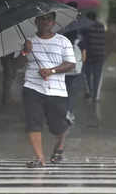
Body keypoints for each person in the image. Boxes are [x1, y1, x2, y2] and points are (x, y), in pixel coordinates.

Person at [16, 12, 76, 168]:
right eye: (42, 19)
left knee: (57, 127)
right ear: (36, 21)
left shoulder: (63, 41)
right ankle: (39, 158)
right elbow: (18, 64)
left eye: (49, 19)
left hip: (57, 91)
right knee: (33, 123)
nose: (45, 22)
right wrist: (25, 52)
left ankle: (62, 139)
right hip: (32, 87)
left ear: (54, 22)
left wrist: (52, 71)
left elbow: (71, 64)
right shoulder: (28, 42)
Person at [83, 11, 106, 102]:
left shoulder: (86, 27)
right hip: (100, 55)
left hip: (89, 55)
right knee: (97, 76)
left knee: (87, 74)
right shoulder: (101, 26)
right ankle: (96, 97)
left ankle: (90, 92)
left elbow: (84, 41)